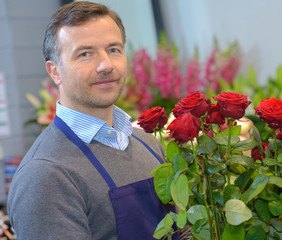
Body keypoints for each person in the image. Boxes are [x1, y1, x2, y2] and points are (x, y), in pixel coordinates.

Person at [7, 2, 177, 239]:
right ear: (55, 72)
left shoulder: (147, 141)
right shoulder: (45, 176)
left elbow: (182, 229)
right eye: (85, 54)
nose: (106, 65)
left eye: (114, 50)